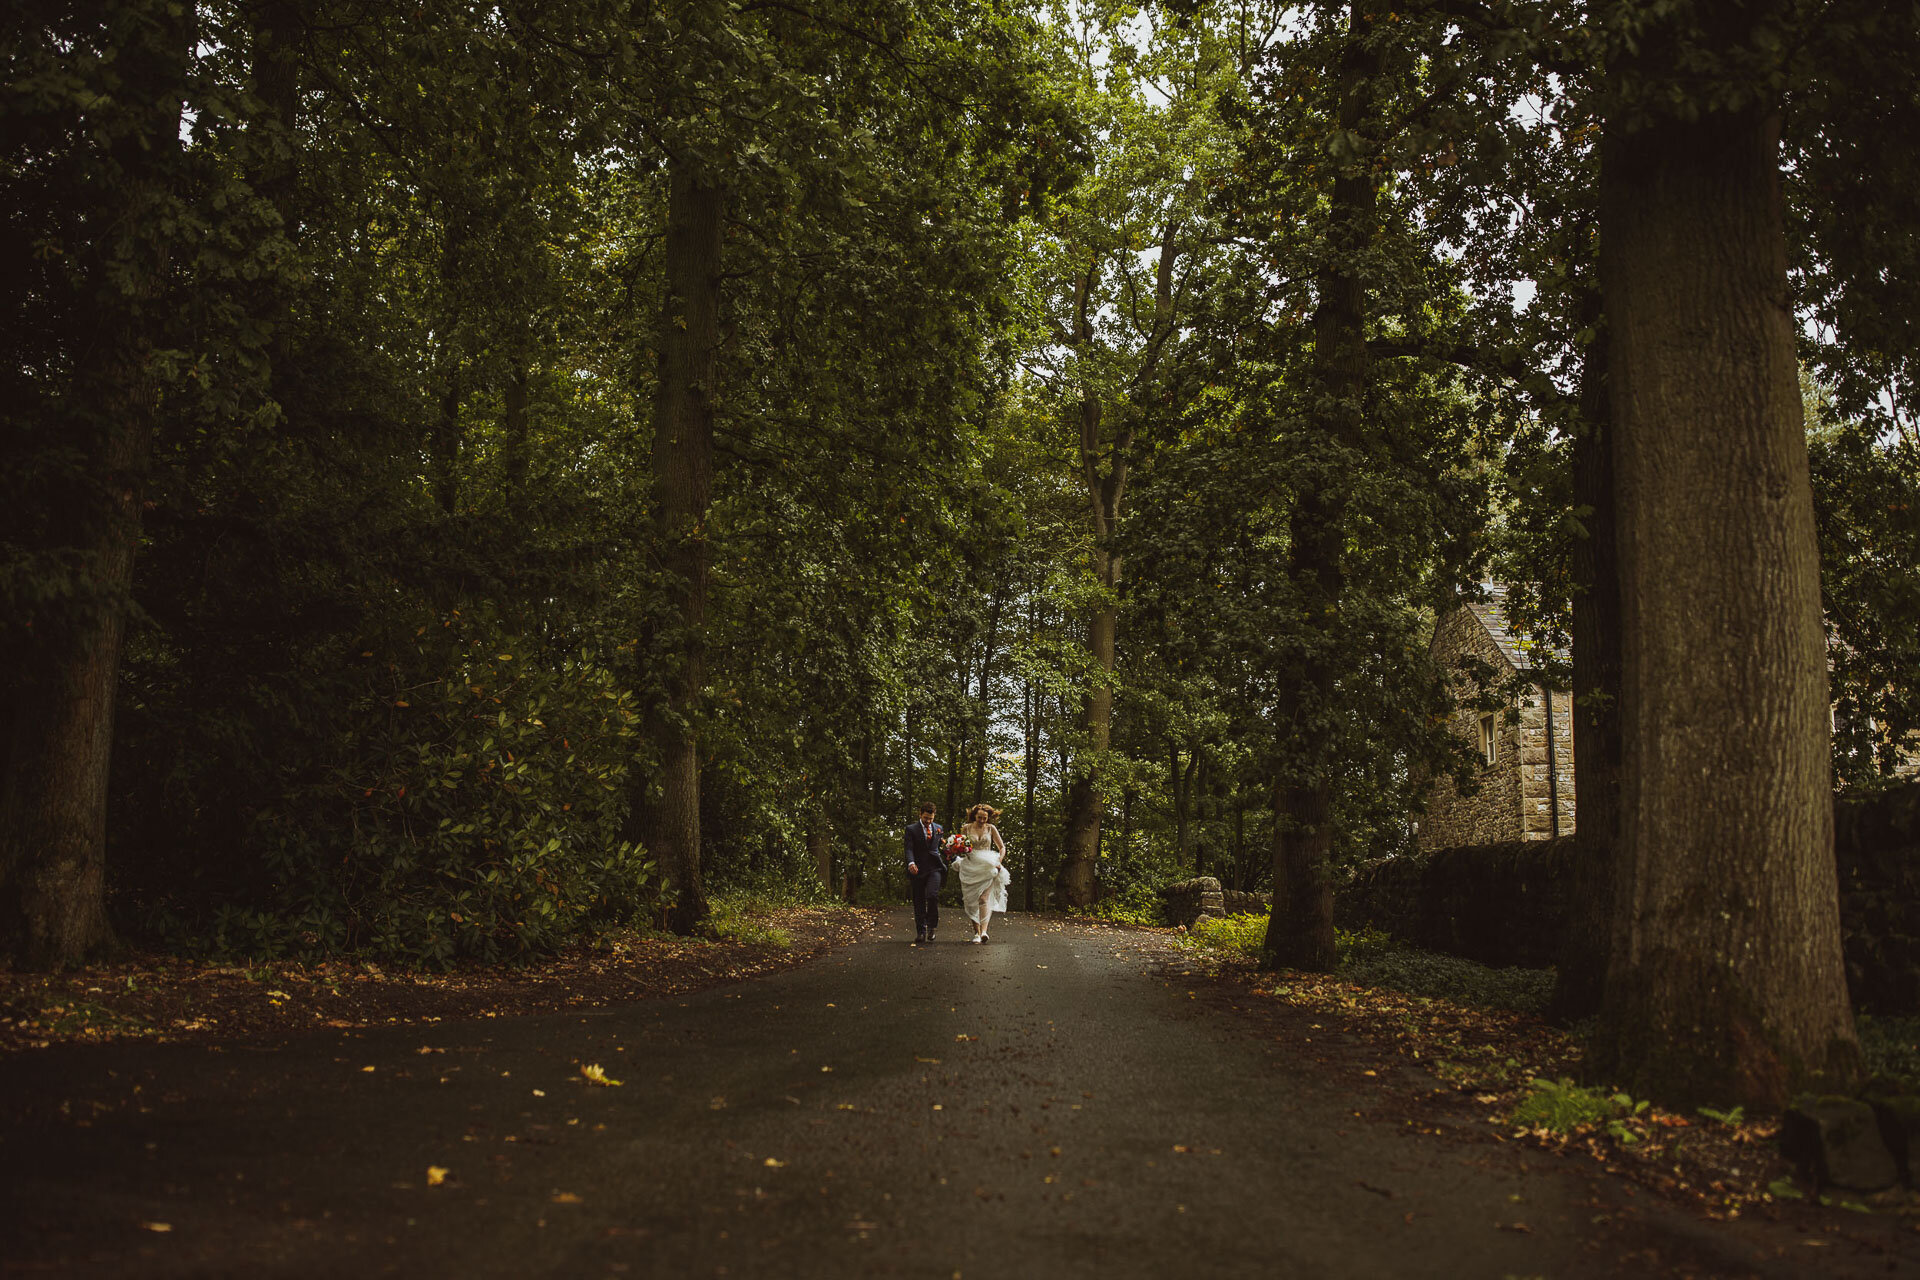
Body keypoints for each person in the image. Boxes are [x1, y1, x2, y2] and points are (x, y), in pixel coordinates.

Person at [954, 803, 1010, 944]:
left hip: (988, 866)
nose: (982, 820)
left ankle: (984, 931)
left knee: (984, 899)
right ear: (974, 816)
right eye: (979, 817)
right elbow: (960, 846)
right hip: (970, 867)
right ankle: (976, 933)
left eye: (985, 818)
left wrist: (999, 861)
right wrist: (955, 849)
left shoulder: (991, 829)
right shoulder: (966, 828)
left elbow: (1002, 847)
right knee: (971, 900)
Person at [903, 801, 947, 945]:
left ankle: (932, 927)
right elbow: (908, 848)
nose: (928, 821)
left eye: (931, 819)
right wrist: (911, 863)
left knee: (932, 895)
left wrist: (954, 851)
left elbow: (942, 845)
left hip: (935, 867)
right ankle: (921, 931)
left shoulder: (939, 828)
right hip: (917, 868)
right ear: (920, 814)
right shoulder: (911, 829)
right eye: (925, 818)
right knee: (919, 900)